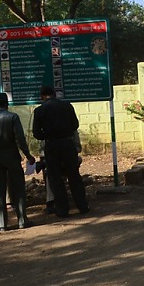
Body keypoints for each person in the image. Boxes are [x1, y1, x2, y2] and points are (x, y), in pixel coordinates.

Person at [0, 92, 36, 231]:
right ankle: (22, 220)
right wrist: (28, 154)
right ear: (7, 104)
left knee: (0, 190)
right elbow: (20, 139)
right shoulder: (13, 117)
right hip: (11, 154)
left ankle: (2, 224)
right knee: (18, 187)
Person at [32, 85, 89, 217]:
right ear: (55, 94)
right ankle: (82, 206)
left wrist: (48, 135)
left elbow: (37, 133)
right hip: (68, 143)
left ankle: (62, 209)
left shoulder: (39, 111)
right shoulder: (67, 105)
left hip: (52, 145)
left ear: (42, 97)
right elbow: (75, 125)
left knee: (55, 177)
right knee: (73, 175)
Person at [41, 131, 82, 214]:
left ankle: (58, 204)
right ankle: (81, 204)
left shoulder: (46, 127)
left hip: (64, 155)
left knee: (53, 174)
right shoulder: (68, 126)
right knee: (50, 173)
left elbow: (78, 147)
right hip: (62, 155)